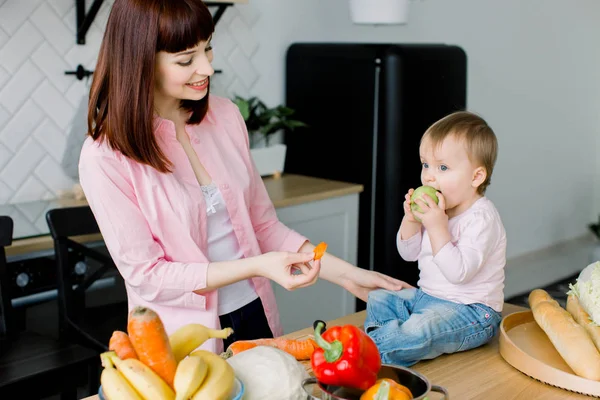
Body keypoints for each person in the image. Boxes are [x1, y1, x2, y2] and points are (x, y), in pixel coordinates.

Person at [79, 0, 408, 353]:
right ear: (140, 61)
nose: (206, 67)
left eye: (208, 48)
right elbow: (147, 275)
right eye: (186, 59)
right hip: (181, 339)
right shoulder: (105, 157)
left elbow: (262, 226)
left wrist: (348, 276)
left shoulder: (224, 117)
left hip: (255, 313)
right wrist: (257, 266)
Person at [364, 111, 507, 367]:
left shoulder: (482, 218)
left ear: (476, 177)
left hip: (472, 312)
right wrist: (411, 220)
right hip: (427, 298)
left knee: (422, 325)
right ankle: (391, 344)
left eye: (442, 167)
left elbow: (458, 273)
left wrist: (437, 226)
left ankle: (374, 350)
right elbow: (408, 254)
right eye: (425, 165)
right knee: (379, 297)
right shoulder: (438, 211)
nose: (429, 176)